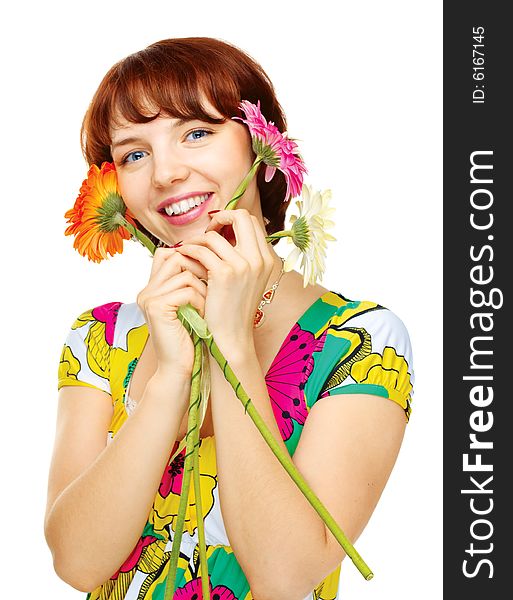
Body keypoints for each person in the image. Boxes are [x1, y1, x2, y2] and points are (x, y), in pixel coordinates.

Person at [44, 37, 414, 600]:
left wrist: (232, 345)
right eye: (133, 154)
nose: (165, 172)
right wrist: (171, 375)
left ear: (261, 145)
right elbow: (75, 563)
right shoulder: (102, 335)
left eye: (196, 132)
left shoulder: (362, 340)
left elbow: (284, 578)